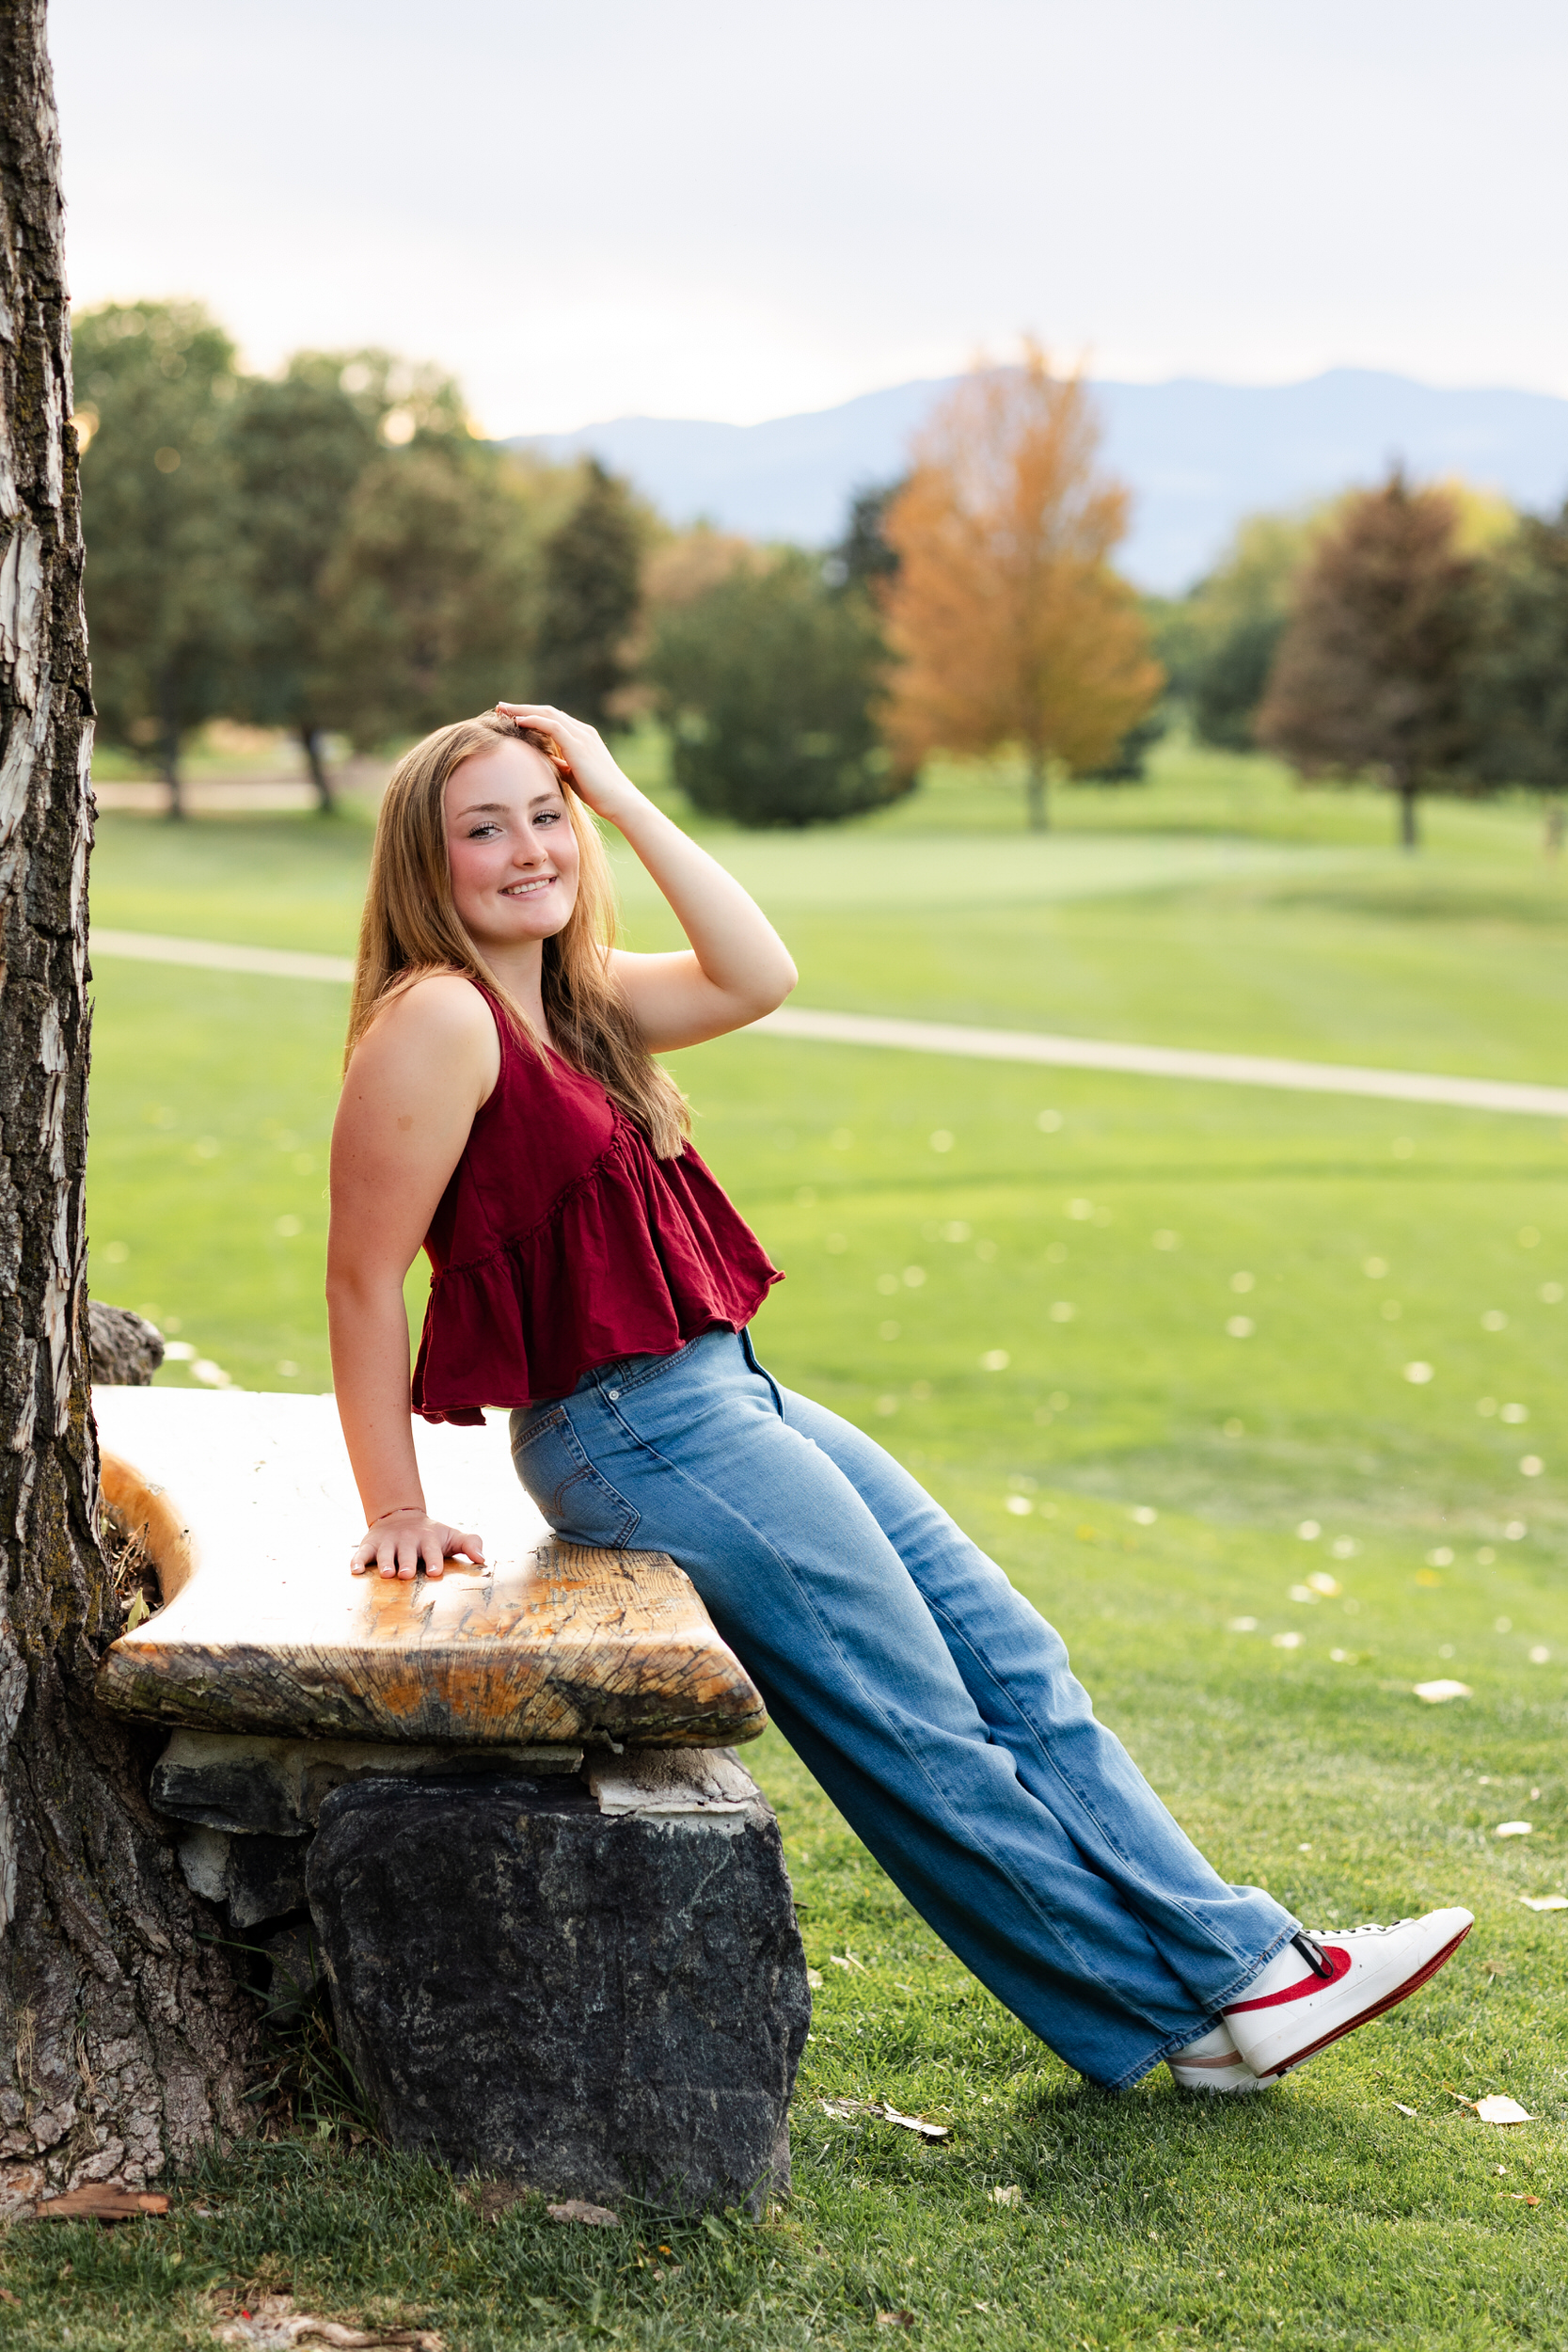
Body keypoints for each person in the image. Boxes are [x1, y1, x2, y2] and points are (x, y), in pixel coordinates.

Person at [326, 704, 1472, 2095]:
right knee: (916, 1717)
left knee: (1010, 1664)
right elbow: (362, 1278)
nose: (530, 848)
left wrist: (621, 792)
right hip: (630, 1426)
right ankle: (1215, 1993)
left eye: (545, 813)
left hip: (723, 1392)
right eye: (485, 827)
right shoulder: (438, 1019)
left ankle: (1229, 1999)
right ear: (423, 862)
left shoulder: (572, 998)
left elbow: (760, 971)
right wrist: (396, 1504)